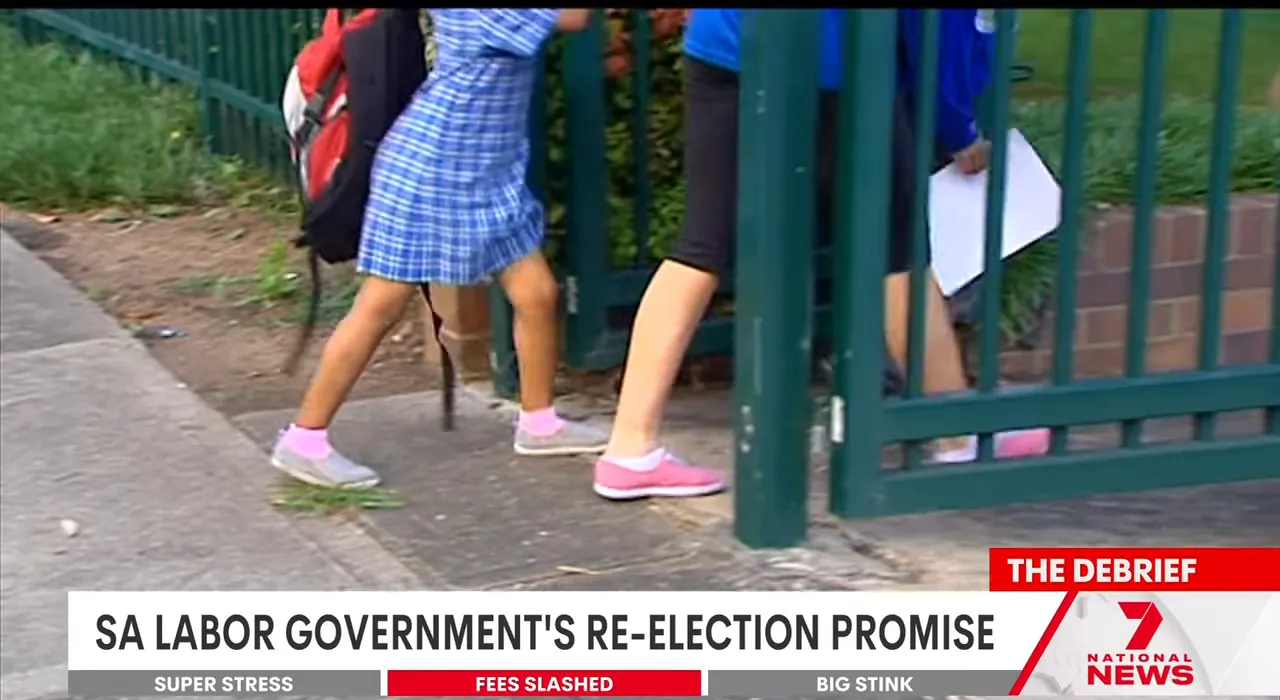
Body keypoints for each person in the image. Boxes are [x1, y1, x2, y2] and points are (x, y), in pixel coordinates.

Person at [592, 9, 1049, 500]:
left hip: (724, 45)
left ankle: (629, 447)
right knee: (899, 254)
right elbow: (940, 28)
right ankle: (956, 432)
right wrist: (957, 125)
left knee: (701, 246)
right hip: (835, 64)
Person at [271, 9, 609, 490]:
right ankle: (304, 439)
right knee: (379, 305)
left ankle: (539, 423)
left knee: (536, 294)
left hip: (485, 172)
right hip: (432, 172)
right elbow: (575, 16)